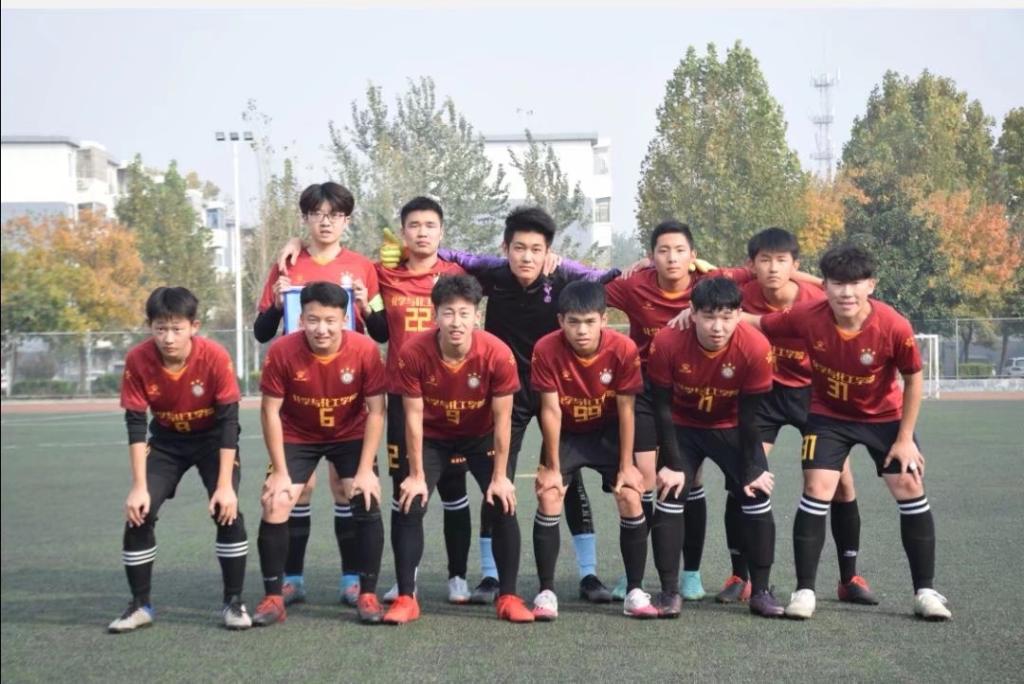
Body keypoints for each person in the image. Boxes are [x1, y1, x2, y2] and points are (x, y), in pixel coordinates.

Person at [278, 195, 479, 604]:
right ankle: (407, 579)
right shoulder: (383, 273)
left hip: (449, 396)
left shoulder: (456, 274)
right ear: (402, 233)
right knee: (405, 488)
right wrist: (296, 243)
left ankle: (458, 577)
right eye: (414, 225)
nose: (422, 232)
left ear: (441, 232)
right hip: (402, 395)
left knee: (453, 490)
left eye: (430, 225)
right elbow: (380, 328)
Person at [747, 244, 950, 620]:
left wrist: (905, 439)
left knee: (909, 486)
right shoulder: (807, 316)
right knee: (816, 487)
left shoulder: (893, 325)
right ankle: (805, 591)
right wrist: (701, 314)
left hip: (884, 418)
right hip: (829, 417)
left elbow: (913, 378)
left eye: (855, 283)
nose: (846, 292)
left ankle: (925, 592)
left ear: (870, 285)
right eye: (838, 283)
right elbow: (758, 322)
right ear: (824, 286)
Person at [442, 207, 620, 604]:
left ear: (547, 252)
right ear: (505, 248)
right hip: (506, 391)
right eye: (519, 248)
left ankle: (589, 574)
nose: (526, 257)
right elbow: (445, 259)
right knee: (498, 477)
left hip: (556, 387)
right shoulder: (492, 276)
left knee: (566, 477)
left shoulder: (562, 278)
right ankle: (491, 576)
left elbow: (609, 278)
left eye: (536, 249)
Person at [604, 219, 751, 601]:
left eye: (680, 250)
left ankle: (691, 573)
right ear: (651, 256)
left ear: (693, 255)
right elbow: (586, 292)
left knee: (690, 479)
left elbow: (764, 270)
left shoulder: (710, 283)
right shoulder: (635, 284)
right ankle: (634, 573)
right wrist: (621, 268)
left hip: (691, 391)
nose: (672, 258)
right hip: (645, 391)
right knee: (643, 480)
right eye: (663, 251)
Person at [253, 181, 381, 607]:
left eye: (335, 215)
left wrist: (368, 305)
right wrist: (276, 303)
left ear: (347, 220)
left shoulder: (362, 266)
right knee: (296, 491)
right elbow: (262, 332)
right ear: (305, 218)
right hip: (298, 394)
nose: (326, 222)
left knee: (349, 489)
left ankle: (353, 581)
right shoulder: (287, 263)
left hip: (347, 394)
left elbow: (381, 330)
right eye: (317, 214)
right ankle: (290, 580)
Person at [737, 228, 876, 605]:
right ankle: (741, 576)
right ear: (752, 265)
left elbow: (852, 297)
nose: (772, 268)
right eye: (765, 260)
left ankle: (849, 577)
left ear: (795, 265)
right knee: (746, 478)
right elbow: (704, 285)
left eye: (781, 261)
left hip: (813, 394)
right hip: (764, 394)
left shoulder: (818, 297)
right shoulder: (742, 293)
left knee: (842, 482)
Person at [385, 275, 534, 624]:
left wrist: (500, 477)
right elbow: (412, 417)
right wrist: (417, 475)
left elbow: (503, 420)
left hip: (480, 436)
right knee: (410, 501)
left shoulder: (497, 353)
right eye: (448, 313)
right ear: (435, 315)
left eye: (464, 313)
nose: (456, 322)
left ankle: (508, 596)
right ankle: (406, 597)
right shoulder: (413, 353)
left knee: (502, 502)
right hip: (433, 436)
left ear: (476, 316)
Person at [109, 287, 250, 633]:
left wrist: (225, 486)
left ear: (194, 326)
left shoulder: (214, 356)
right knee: (139, 513)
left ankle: (233, 603)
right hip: (167, 443)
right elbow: (136, 424)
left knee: (227, 510)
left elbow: (229, 422)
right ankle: (140, 605)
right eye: (160, 328)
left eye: (177, 328)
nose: (168, 338)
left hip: (212, 441)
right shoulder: (138, 360)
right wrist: (138, 486)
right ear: (150, 327)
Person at [251, 282, 387, 627]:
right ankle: (276, 594)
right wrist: (279, 471)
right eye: (312, 320)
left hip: (350, 434)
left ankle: (365, 591)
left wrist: (366, 470)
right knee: (276, 500)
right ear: (300, 320)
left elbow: (376, 411)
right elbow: (269, 412)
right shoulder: (282, 351)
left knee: (364, 495)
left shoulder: (365, 350)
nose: (321, 329)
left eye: (329, 320)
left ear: (344, 319)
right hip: (298, 435)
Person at [647, 277, 783, 618]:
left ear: (739, 314)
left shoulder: (756, 346)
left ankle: (761, 592)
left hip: (732, 428)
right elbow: (661, 408)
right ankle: (668, 592)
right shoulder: (666, 341)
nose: (717, 327)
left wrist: (752, 468)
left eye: (726, 316)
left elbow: (751, 416)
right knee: (669, 492)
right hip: (682, 427)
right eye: (708, 316)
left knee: (756, 493)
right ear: (692, 313)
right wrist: (671, 463)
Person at [529, 281, 659, 620]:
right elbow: (550, 410)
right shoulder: (545, 348)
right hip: (568, 433)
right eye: (573, 322)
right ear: (560, 321)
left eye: (589, 321)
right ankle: (546, 592)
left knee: (630, 495)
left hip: (608, 432)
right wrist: (552, 466)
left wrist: (627, 464)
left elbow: (627, 409)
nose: (582, 330)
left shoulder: (623, 348)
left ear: (604, 319)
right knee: (549, 494)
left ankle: (634, 591)